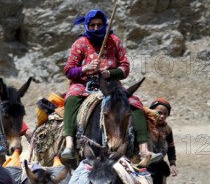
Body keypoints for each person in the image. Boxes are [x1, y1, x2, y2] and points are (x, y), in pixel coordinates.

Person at [60, 9, 149, 163]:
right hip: (84, 84)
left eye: (99, 24)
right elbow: (69, 70)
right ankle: (69, 144)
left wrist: (110, 73)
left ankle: (144, 149)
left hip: (111, 85)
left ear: (105, 25)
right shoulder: (80, 43)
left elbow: (125, 67)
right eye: (92, 25)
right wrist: (85, 68)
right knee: (71, 99)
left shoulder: (114, 41)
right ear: (87, 25)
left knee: (135, 103)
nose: (96, 28)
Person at [146, 98, 178, 184]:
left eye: (165, 114)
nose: (162, 116)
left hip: (160, 167)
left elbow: (171, 147)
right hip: (145, 166)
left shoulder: (167, 129)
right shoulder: (146, 126)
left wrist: (172, 163)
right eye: (159, 112)